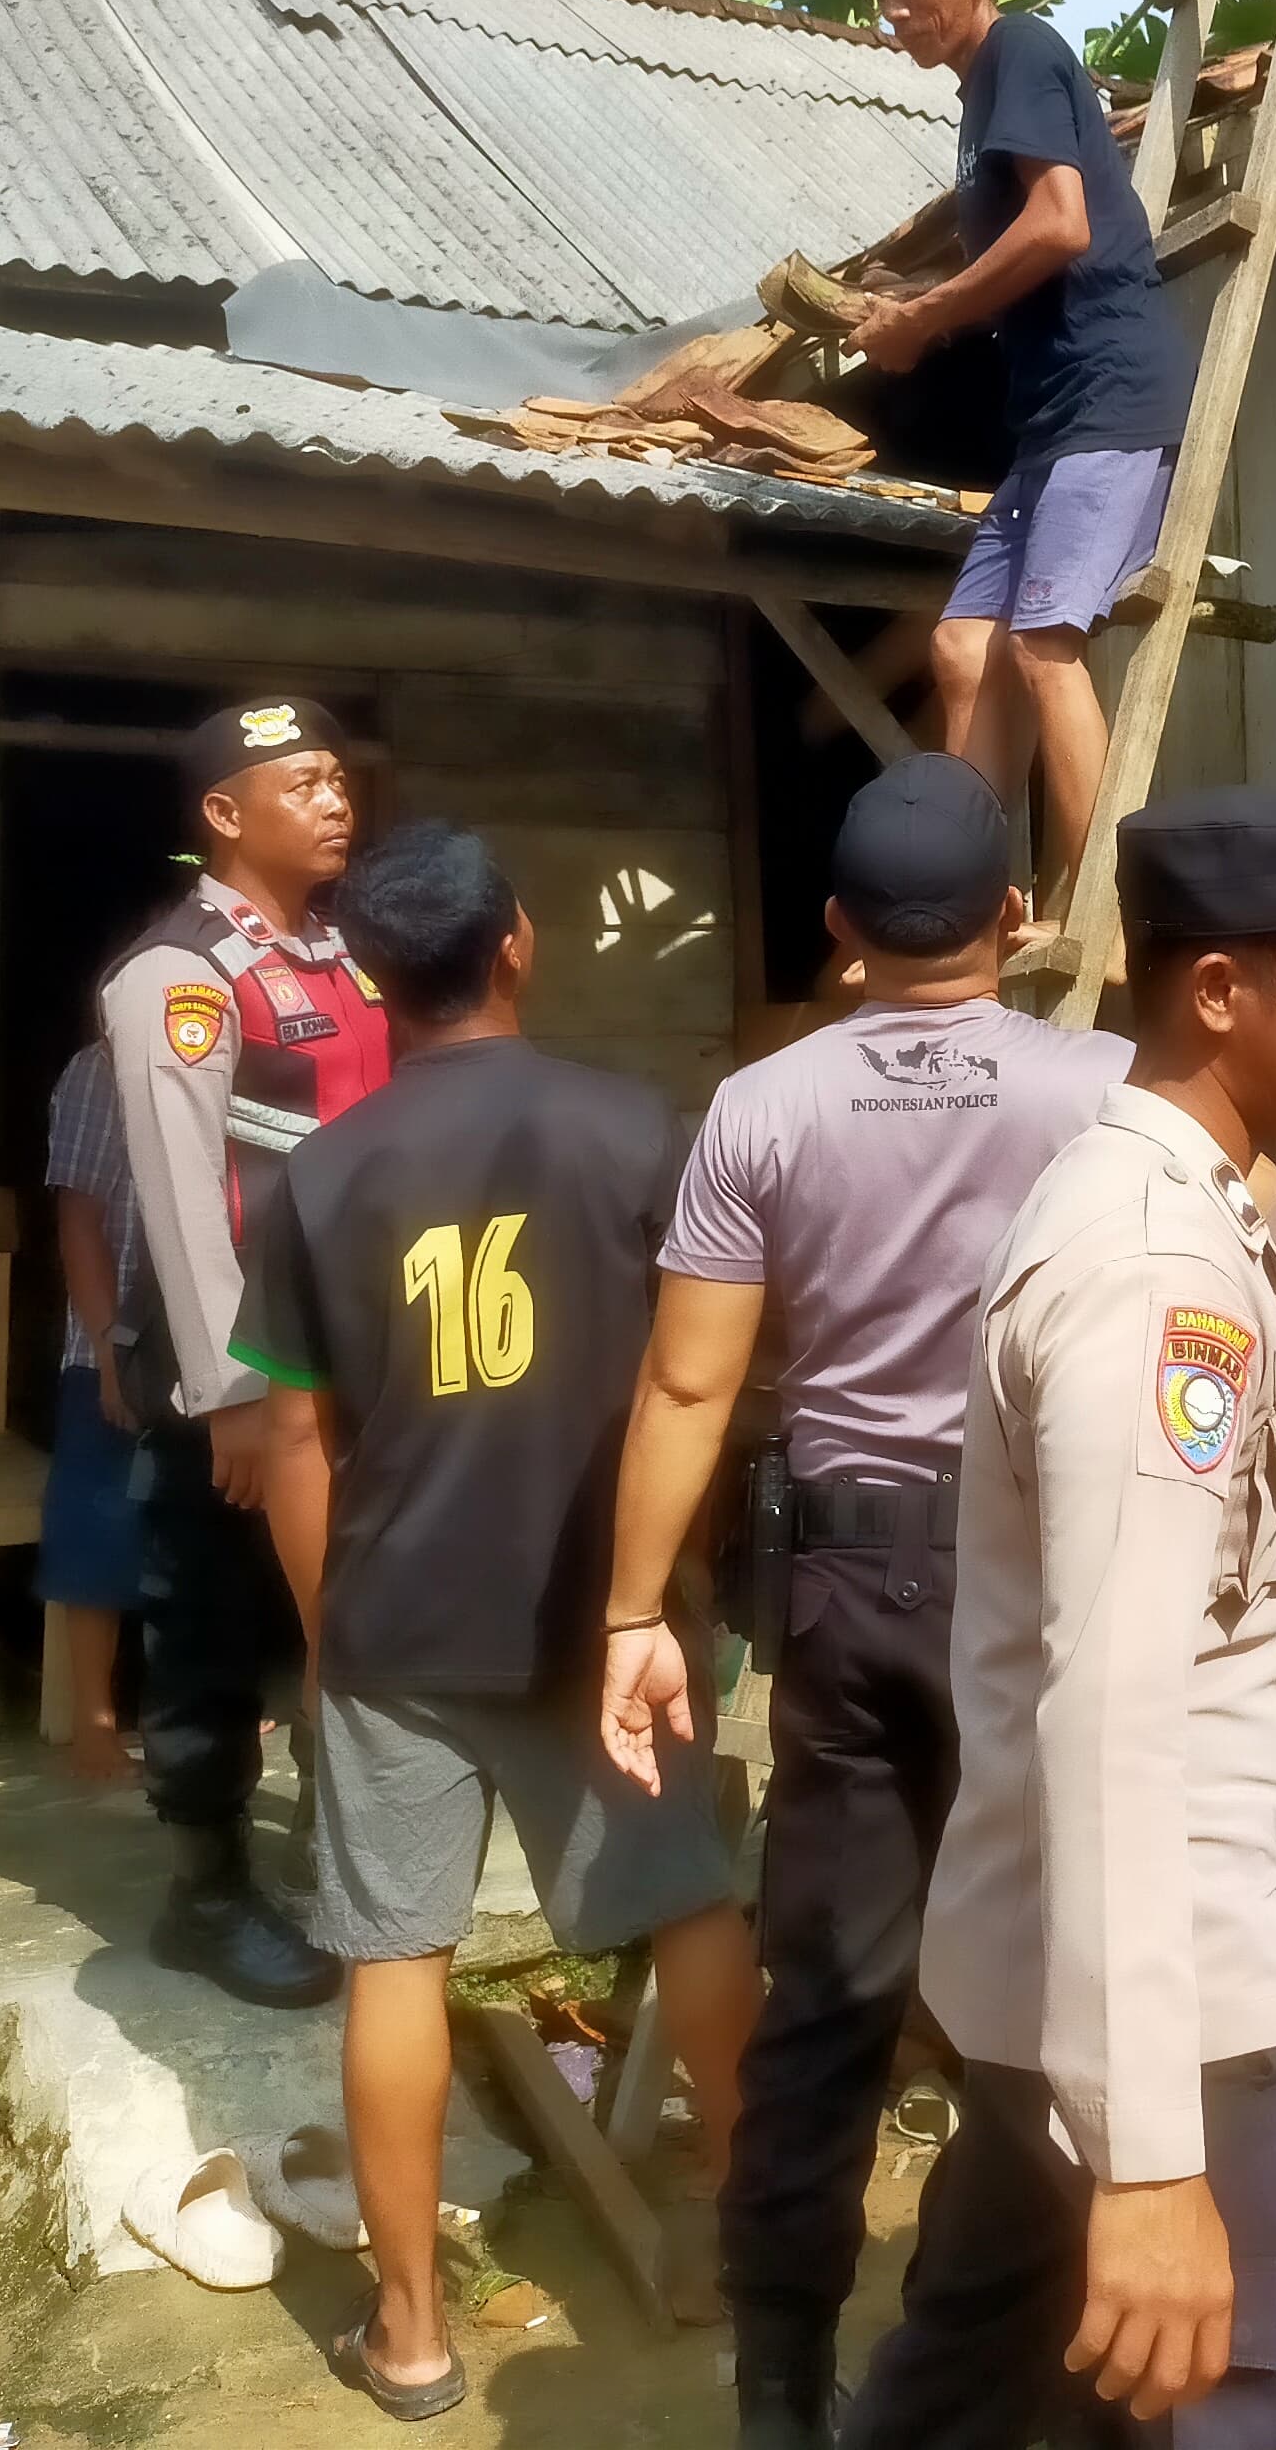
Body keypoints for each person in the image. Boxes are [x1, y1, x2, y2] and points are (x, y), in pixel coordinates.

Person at [838, 789, 1276, 2449]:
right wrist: (1147, 2159)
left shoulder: (1199, 1221)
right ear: (1216, 989)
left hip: (1074, 1953)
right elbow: (1115, 1706)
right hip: (1164, 1988)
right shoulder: (1155, 1272)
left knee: (980, 2380)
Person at [593, 753, 1129, 2450]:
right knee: (1067, 1972)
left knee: (826, 1991)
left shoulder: (762, 1107)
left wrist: (632, 1615)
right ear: (1016, 918)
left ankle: (780, 2385)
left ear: (838, 926)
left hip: (841, 1582)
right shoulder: (1107, 1091)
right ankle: (1045, 2356)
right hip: (1042, 1574)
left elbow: (689, 1386)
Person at [232, 820, 758, 2424]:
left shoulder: (319, 1179)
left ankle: (408, 2336)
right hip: (606, 1617)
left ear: (372, 982)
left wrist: (331, 1642)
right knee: (691, 1907)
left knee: (396, 1961)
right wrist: (671, 1591)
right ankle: (765, 2248)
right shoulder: (639, 1132)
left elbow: (295, 1442)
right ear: (517, 942)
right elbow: (698, 1381)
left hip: (401, 1625)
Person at [98, 697, 388, 2008]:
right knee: (210, 1619)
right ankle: (205, 1893)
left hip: (352, 1350)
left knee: (348, 1602)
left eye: (338, 779)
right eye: (302, 784)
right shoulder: (179, 977)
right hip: (234, 1369)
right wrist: (229, 1397)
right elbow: (178, 1194)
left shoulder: (346, 957)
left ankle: (351, 1847)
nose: (335, 801)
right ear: (224, 814)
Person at [844, 0, 1198, 892]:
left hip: (1109, 403)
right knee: (963, 649)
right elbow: (1014, 263)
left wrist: (922, 317)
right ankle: (969, 904)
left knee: (1044, 647)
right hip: (1046, 429)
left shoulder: (1023, 50)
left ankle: (1103, 918)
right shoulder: (979, 100)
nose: (894, 11)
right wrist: (916, 300)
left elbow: (1060, 225)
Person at [41, 1039, 148, 1785]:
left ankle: (198, 1708)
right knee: (99, 1529)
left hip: (214, 1343)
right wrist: (112, 1353)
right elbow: (78, 1218)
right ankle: (93, 1727)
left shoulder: (238, 1052)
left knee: (202, 1532)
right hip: (113, 1342)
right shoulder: (99, 1070)